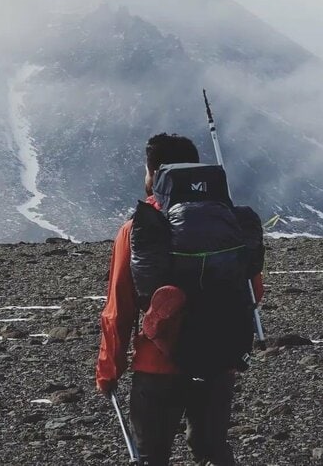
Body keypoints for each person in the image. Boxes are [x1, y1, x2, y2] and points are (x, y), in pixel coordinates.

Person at [96, 132, 264, 466]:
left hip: (156, 365)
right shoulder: (227, 221)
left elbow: (119, 310)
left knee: (151, 457)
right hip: (218, 359)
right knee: (212, 450)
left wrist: (109, 370)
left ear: (154, 173)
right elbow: (253, 292)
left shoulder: (139, 228)